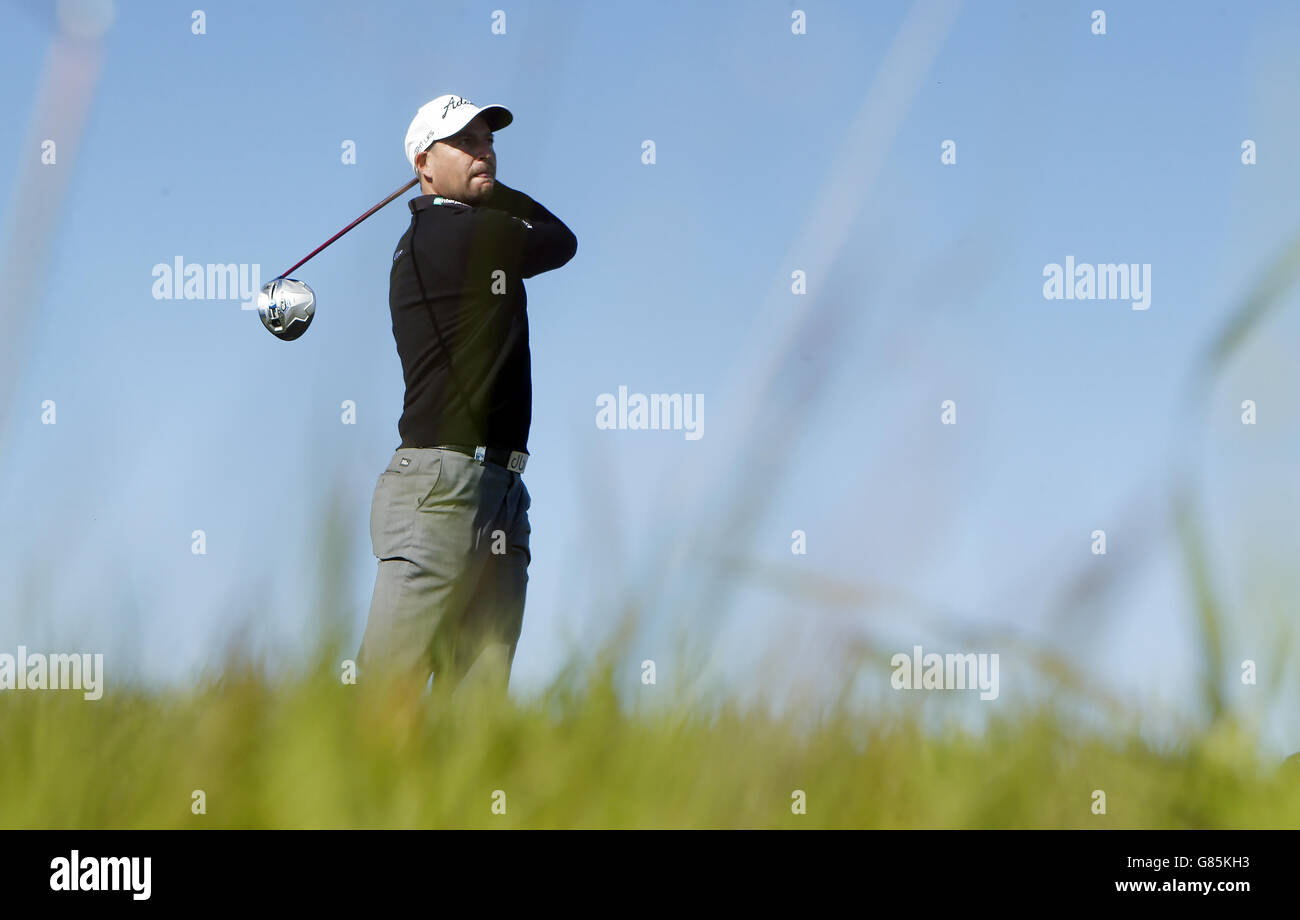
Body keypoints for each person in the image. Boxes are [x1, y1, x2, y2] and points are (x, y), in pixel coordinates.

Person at [357, 94, 577, 703]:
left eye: (489, 140)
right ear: (424, 163)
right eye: (466, 142)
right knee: (385, 700)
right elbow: (559, 240)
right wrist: (494, 190)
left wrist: (478, 182)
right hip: (440, 487)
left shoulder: (458, 230)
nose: (486, 151)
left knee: (475, 718)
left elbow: (554, 241)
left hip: (501, 488)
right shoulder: (450, 237)